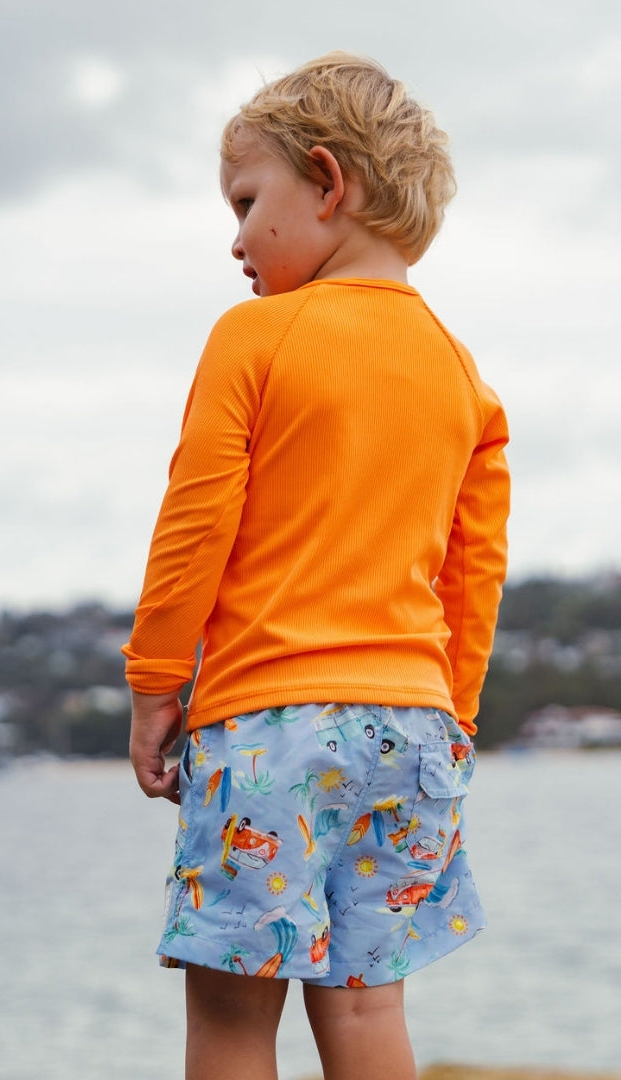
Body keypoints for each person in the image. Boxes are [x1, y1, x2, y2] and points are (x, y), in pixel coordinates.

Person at [123, 53, 510, 1080]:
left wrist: (156, 684)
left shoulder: (255, 338)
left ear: (329, 184)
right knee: (368, 1009)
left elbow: (195, 526)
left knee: (234, 1019)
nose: (236, 237)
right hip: (414, 731)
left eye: (249, 202)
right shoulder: (461, 372)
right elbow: (475, 573)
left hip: (268, 727)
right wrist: (454, 713)